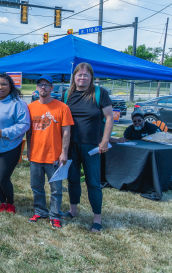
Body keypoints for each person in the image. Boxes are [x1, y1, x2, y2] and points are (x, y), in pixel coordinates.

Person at [62, 62, 114, 233]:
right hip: (71, 145)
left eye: (86, 75)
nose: (82, 78)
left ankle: (97, 219)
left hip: (92, 146)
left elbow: (109, 117)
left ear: (91, 77)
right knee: (73, 179)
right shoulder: (67, 94)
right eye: (79, 74)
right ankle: (73, 210)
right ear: (74, 77)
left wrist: (105, 140)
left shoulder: (99, 93)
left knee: (93, 182)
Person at [26, 75, 74, 229]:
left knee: (56, 189)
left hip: (54, 156)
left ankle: (54, 215)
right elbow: (28, 132)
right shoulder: (31, 107)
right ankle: (40, 211)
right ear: (36, 88)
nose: (43, 88)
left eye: (47, 85)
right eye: (40, 85)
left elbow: (66, 132)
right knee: (36, 186)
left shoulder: (62, 107)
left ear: (52, 88)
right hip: (35, 155)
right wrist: (28, 150)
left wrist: (64, 153)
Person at [0, 73, 30, 214]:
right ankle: (2, 203)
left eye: (4, 84)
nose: (0, 87)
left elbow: (24, 124)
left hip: (9, 147)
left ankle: (10, 204)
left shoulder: (18, 103)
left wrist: (3, 132)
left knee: (3, 177)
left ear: (11, 86)